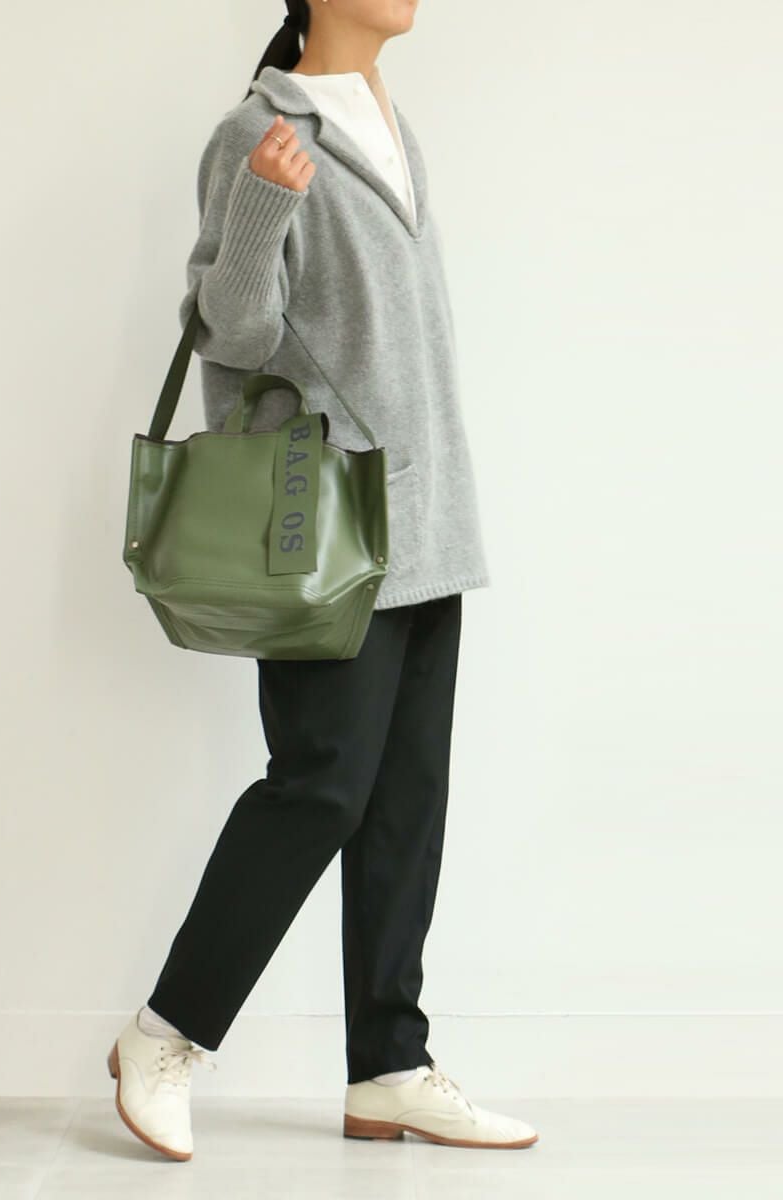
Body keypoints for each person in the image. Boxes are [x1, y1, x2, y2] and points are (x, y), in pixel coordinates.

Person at [106, 0, 540, 1161]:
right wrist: (261, 204)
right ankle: (164, 1035)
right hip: (329, 536)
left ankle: (388, 1066)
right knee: (320, 790)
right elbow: (232, 337)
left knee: (404, 804)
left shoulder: (393, 123)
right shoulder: (257, 131)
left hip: (426, 519)